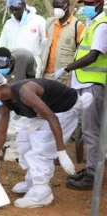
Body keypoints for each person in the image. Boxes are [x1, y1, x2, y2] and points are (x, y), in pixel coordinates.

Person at [0, 72, 92, 208]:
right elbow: (2, 132)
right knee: (24, 139)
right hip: (47, 112)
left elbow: (52, 118)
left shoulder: (25, 92)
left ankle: (41, 193)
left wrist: (61, 152)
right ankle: (32, 182)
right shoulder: (4, 102)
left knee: (42, 146)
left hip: (65, 109)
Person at [54, 0, 107, 190]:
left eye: (90, 3)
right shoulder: (93, 23)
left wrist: (67, 68)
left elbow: (93, 56)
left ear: (100, 3)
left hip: (92, 84)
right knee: (89, 130)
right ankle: (91, 168)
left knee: (91, 132)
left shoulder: (102, 26)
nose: (86, 6)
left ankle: (93, 175)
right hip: (85, 83)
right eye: (85, 2)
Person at [0, 0, 46, 77]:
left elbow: (45, 45)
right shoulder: (8, 24)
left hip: (33, 66)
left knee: (30, 87)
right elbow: (2, 46)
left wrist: (42, 66)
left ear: (24, 6)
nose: (14, 12)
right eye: (11, 10)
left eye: (16, 9)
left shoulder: (39, 21)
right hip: (13, 67)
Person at [41, 0, 85, 85]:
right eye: (55, 6)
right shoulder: (50, 23)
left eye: (60, 6)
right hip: (46, 75)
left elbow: (80, 53)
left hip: (65, 78)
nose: (57, 9)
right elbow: (46, 47)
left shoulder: (78, 26)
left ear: (67, 6)